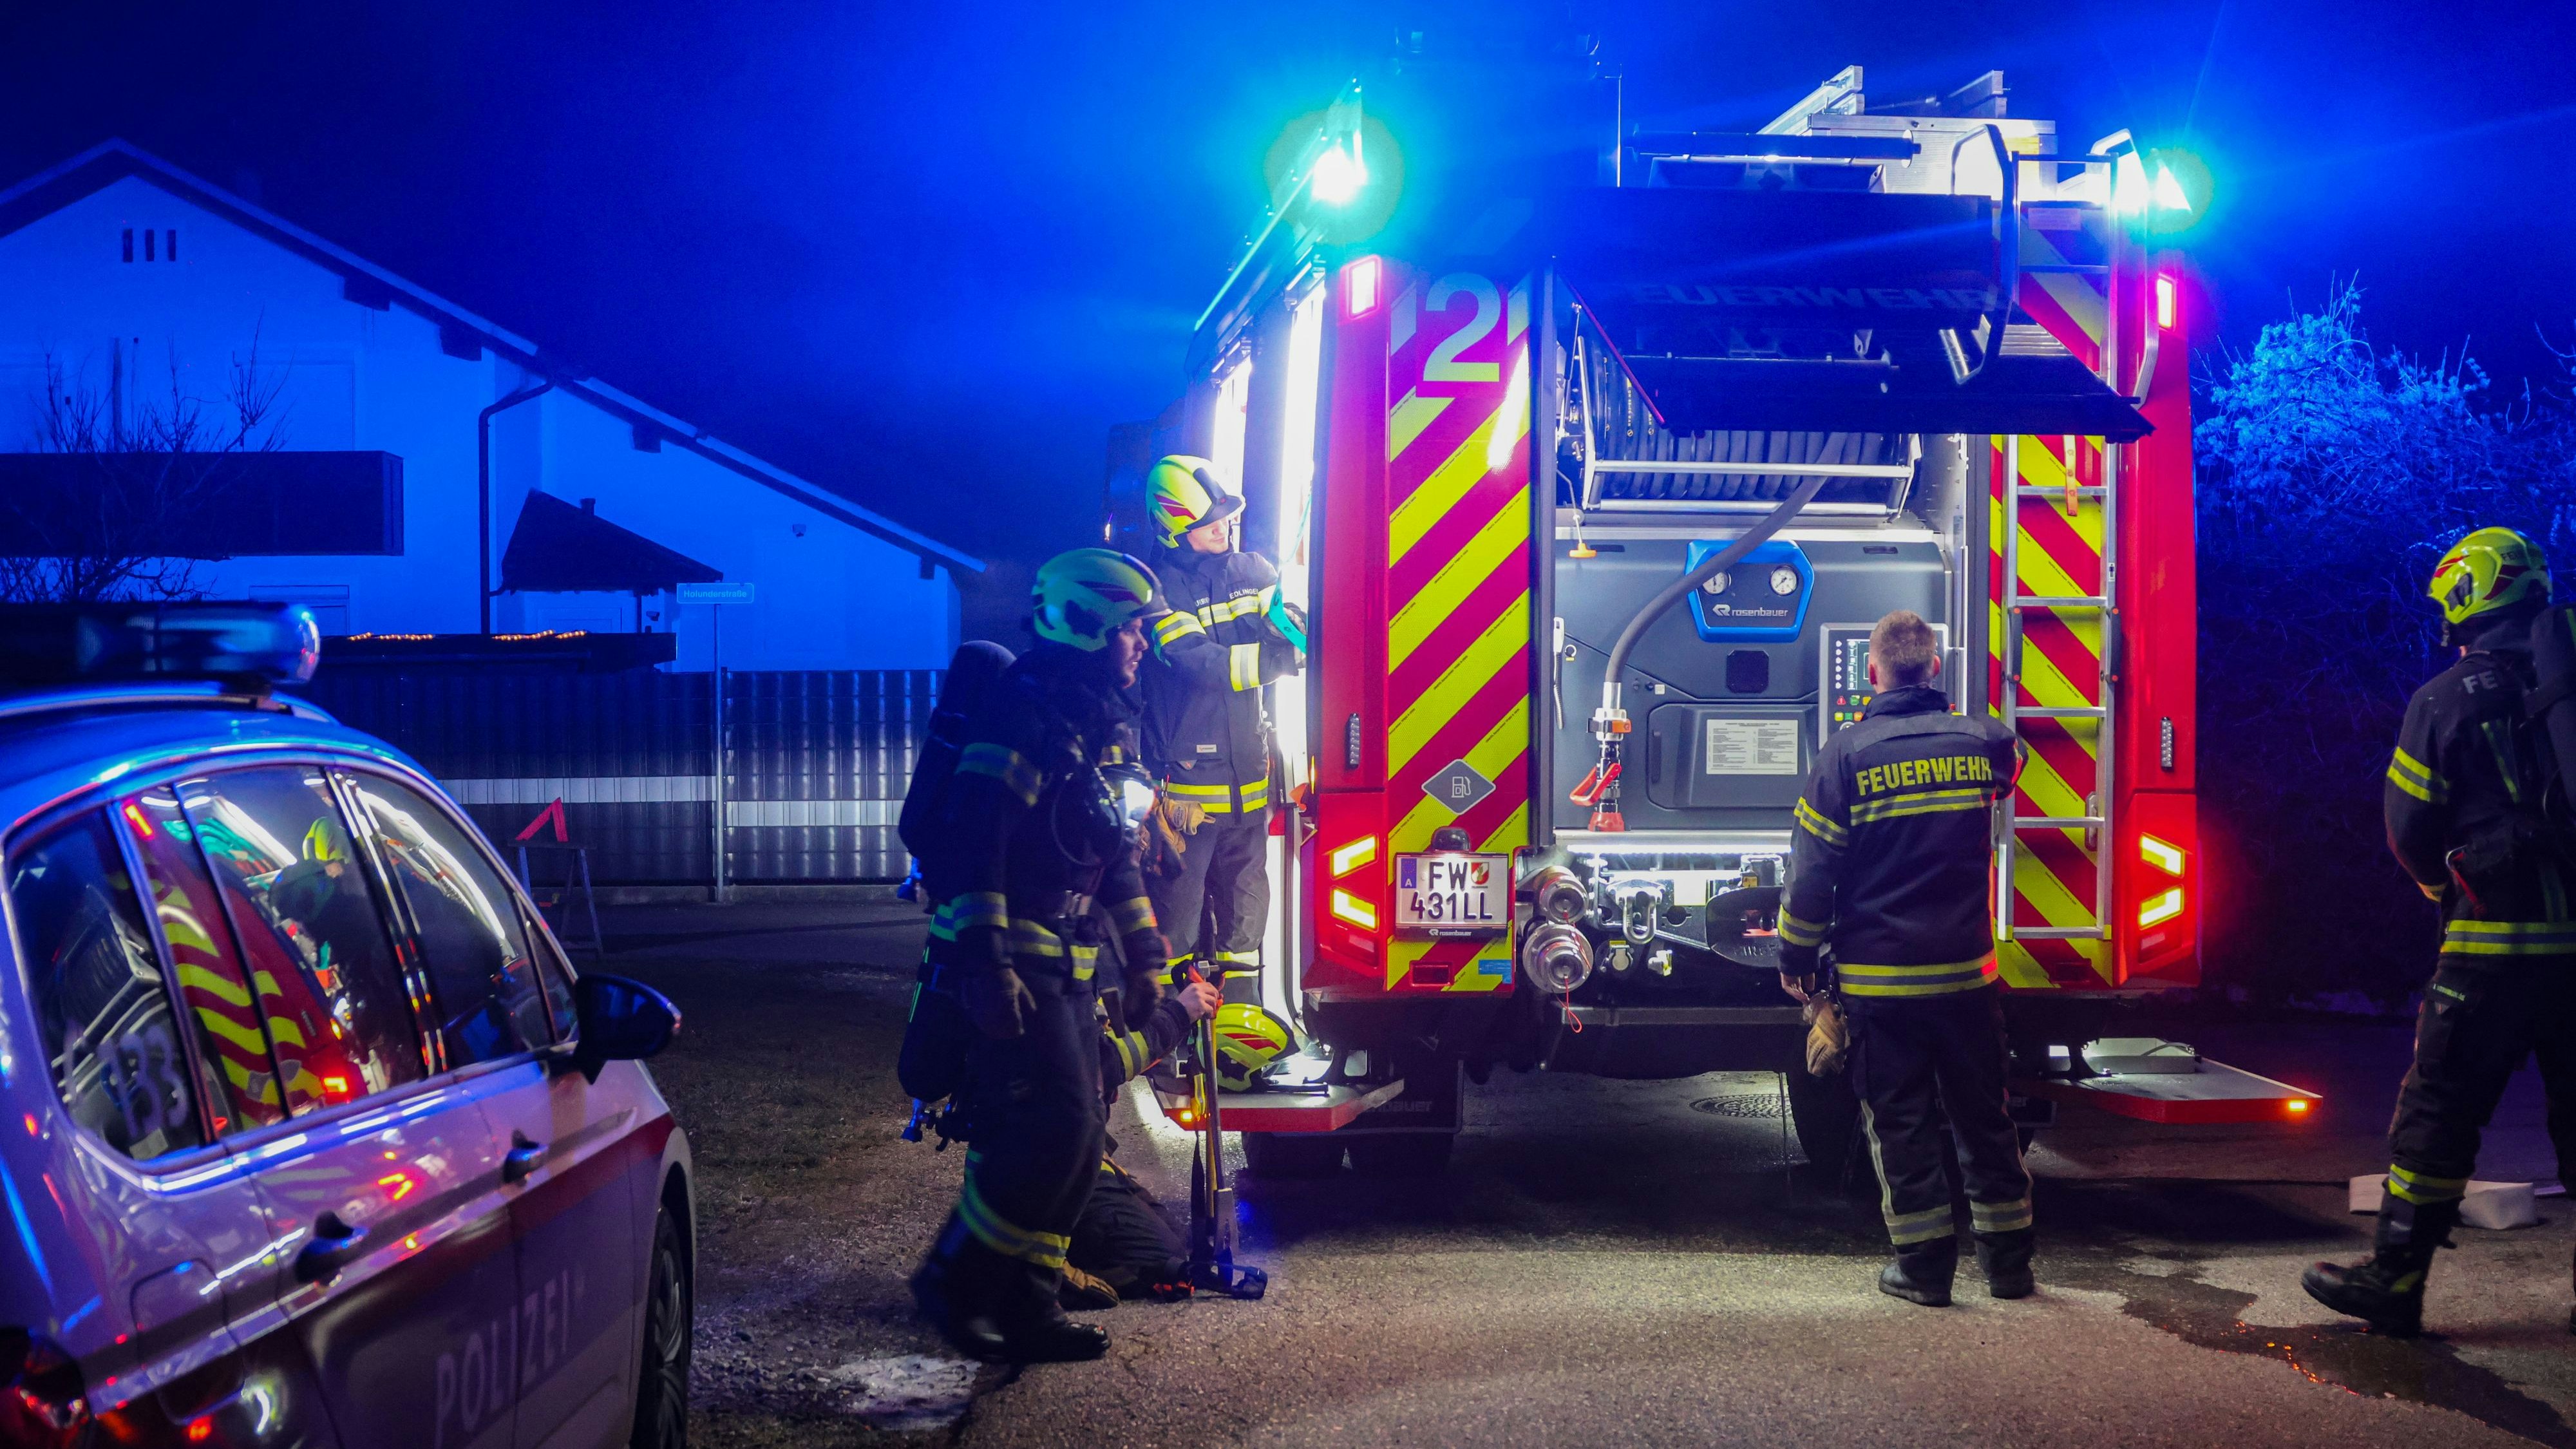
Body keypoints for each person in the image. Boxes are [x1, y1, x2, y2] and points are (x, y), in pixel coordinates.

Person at [2306, 527, 2576, 1337]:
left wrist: (2443, 893)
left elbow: (2407, 828)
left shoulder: (2444, 700)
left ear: (2466, 598)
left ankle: (2395, 1278)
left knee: (2438, 1114)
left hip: (2488, 956)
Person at [908, 548, 1175, 1363]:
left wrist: (1148, 961)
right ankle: (954, 1276)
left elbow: (1114, 858)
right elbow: (974, 851)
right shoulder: (1022, 715)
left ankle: (1028, 1307)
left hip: (1066, 961)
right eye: (1132, 628)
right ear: (1090, 624)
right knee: (1054, 1130)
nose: (1141, 643)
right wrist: (988, 970)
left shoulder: (1086, 719)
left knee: (1080, 1126)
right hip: (1013, 967)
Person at [1776, 609, 2031, 1307]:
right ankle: (2009, 1266)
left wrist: (1795, 954)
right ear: (1936, 668)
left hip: (1882, 984)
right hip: (1966, 977)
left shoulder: (1843, 757)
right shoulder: (1984, 742)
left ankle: (1923, 1270)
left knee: (1902, 1124)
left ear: (1871, 672)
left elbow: (1811, 876)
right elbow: (2016, 766)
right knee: (1985, 1118)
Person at [1137, 455, 1303, 997]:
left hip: (1250, 787)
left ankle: (1240, 1024)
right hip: (1189, 801)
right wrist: (1281, 659)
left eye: (1227, 517)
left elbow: (1289, 630)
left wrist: (1295, 626)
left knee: (1246, 917)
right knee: (1177, 922)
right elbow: (1200, 664)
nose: (1224, 527)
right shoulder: (1157, 589)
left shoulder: (1251, 571)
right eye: (1210, 522)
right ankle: (1167, 1031)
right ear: (1174, 529)